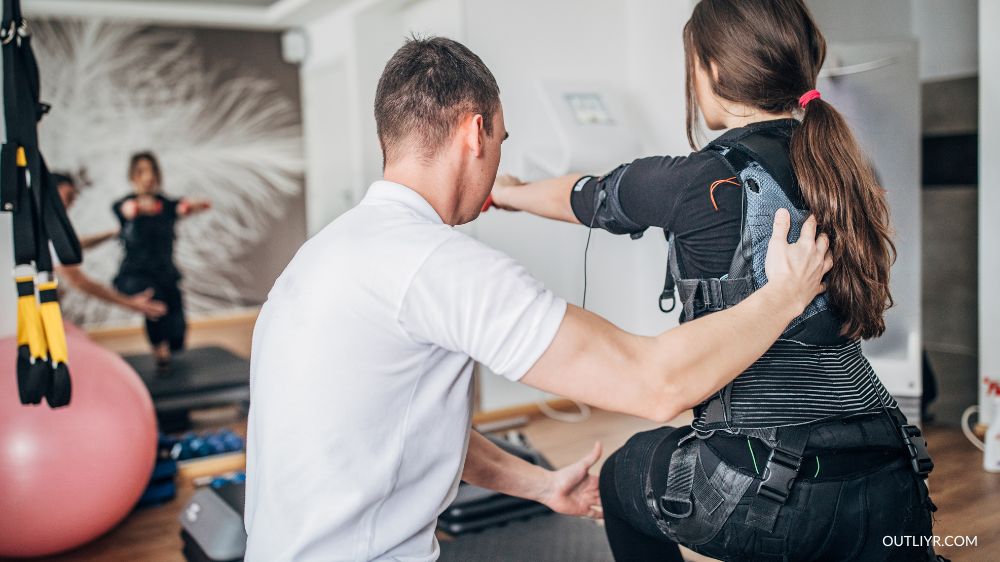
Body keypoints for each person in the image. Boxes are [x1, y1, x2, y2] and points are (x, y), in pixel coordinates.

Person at [244, 36, 832, 561]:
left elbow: (401, 428)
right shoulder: (437, 266)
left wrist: (541, 486)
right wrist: (785, 296)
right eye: (501, 137)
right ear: (475, 132)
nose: (499, 155)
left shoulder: (320, 255)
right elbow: (655, 385)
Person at [487, 1, 939, 560]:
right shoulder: (841, 166)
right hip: (895, 476)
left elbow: (586, 196)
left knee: (624, 475)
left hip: (775, 493)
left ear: (712, 71)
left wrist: (507, 193)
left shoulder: (698, 179)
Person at [111, 152, 211, 367]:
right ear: (134, 176)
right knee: (155, 305)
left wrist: (192, 207)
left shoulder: (167, 205)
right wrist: (140, 208)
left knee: (178, 332)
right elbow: (126, 211)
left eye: (152, 171)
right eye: (142, 172)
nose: (148, 177)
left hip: (165, 272)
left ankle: (171, 350)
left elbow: (180, 207)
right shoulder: (124, 205)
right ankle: (160, 355)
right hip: (136, 275)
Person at [49, 172, 167, 319]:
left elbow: (74, 244)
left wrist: (112, 233)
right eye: (69, 196)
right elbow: (79, 280)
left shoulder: (48, 227)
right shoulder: (49, 228)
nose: (71, 203)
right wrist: (131, 303)